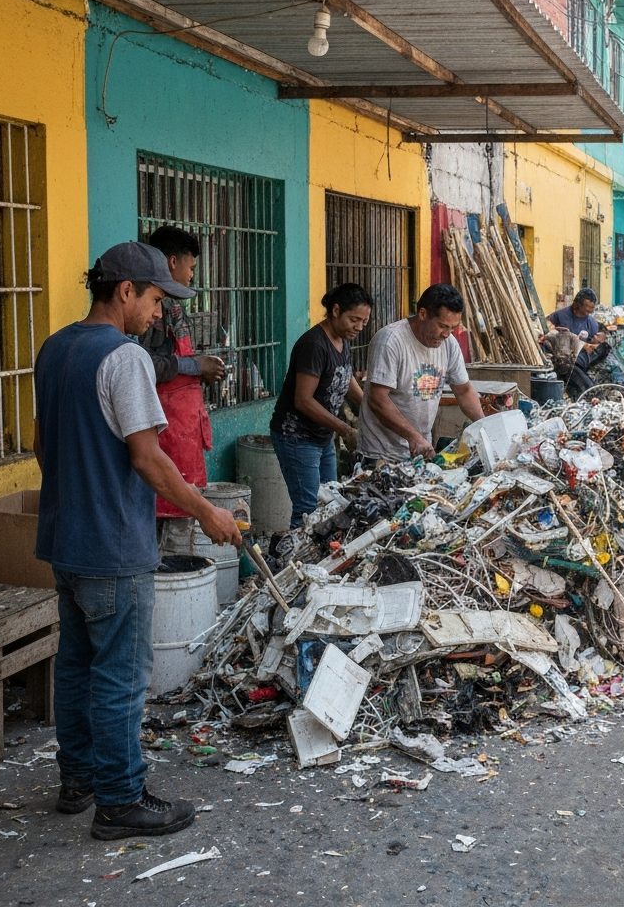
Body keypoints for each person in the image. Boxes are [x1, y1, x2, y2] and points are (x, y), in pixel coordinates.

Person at [33, 241, 241, 839]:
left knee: (75, 666)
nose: (157, 312)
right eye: (154, 298)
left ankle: (78, 779)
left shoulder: (55, 348)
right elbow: (149, 460)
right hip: (113, 545)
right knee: (122, 674)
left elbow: (44, 446)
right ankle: (120, 800)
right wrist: (205, 512)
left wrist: (79, 493)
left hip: (64, 538)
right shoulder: (123, 358)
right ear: (124, 291)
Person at [139, 226, 226, 518]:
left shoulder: (173, 305)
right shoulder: (150, 310)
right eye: (191, 267)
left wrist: (199, 370)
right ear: (172, 262)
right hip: (165, 433)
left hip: (185, 430)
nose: (192, 275)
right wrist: (195, 365)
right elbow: (145, 364)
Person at [270, 283, 372, 528]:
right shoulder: (314, 345)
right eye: (354, 319)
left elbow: (345, 379)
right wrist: (345, 429)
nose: (359, 327)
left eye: (364, 322)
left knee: (332, 501)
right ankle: (294, 562)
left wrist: (372, 408)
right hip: (297, 437)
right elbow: (303, 400)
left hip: (322, 437)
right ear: (335, 310)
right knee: (307, 510)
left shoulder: (342, 339)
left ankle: (322, 562)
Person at [357, 283, 484, 462]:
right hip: (382, 454)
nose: (447, 334)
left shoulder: (449, 344)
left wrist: (484, 426)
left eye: (452, 328)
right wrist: (414, 437)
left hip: (420, 451)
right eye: (442, 326)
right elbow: (378, 400)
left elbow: (463, 390)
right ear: (423, 314)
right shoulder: (390, 341)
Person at [543, 287, 610, 397]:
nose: (590, 312)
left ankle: (591, 392)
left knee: (605, 348)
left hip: (581, 360)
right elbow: (547, 334)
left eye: (592, 309)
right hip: (563, 359)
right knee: (570, 365)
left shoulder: (591, 323)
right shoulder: (560, 316)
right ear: (577, 304)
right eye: (587, 308)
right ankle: (592, 394)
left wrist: (596, 341)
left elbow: (595, 341)